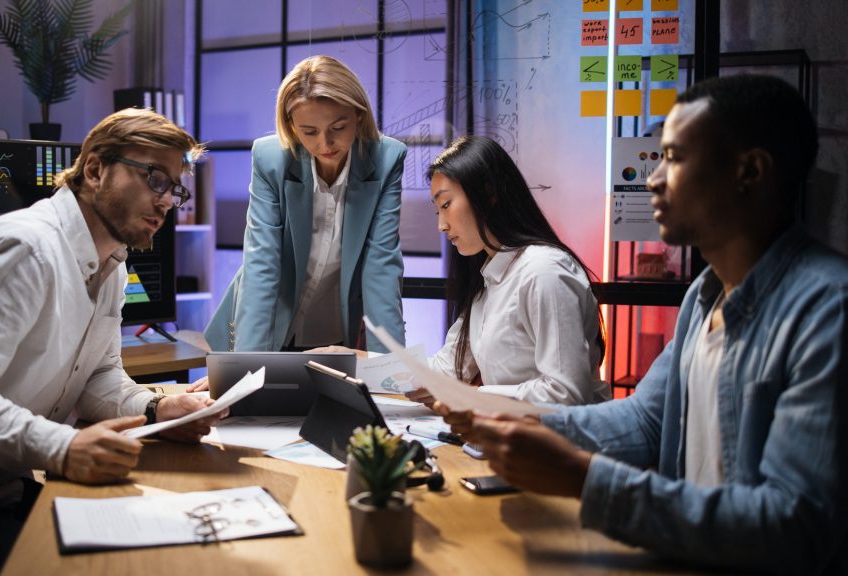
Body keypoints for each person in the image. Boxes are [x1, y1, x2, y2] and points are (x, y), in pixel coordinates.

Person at [452, 74, 848, 573]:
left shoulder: (827, 309)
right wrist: (523, 422)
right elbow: (646, 420)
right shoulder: (703, 299)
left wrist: (584, 477)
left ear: (750, 171)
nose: (653, 178)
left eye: (676, 158)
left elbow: (794, 526)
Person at [0, 108, 224, 575]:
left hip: (7, 485)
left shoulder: (110, 260)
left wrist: (155, 409)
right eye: (155, 179)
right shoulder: (25, 249)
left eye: (174, 188)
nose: (167, 202)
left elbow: (96, 374)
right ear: (94, 169)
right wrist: (62, 448)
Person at [316, 136, 610, 406]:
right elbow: (445, 370)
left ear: (489, 194)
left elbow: (566, 395)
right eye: (437, 210)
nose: (441, 225)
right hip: (515, 441)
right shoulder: (490, 280)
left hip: (565, 449)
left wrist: (470, 397)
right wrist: (355, 364)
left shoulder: (543, 272)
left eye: (446, 205)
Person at [204, 55, 407, 353]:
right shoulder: (270, 159)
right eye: (309, 132)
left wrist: (392, 373)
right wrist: (243, 369)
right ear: (291, 125)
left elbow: (381, 270)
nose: (325, 144)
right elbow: (262, 264)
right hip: (265, 324)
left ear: (359, 116)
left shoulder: (387, 160)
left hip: (333, 328)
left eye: (338, 128)